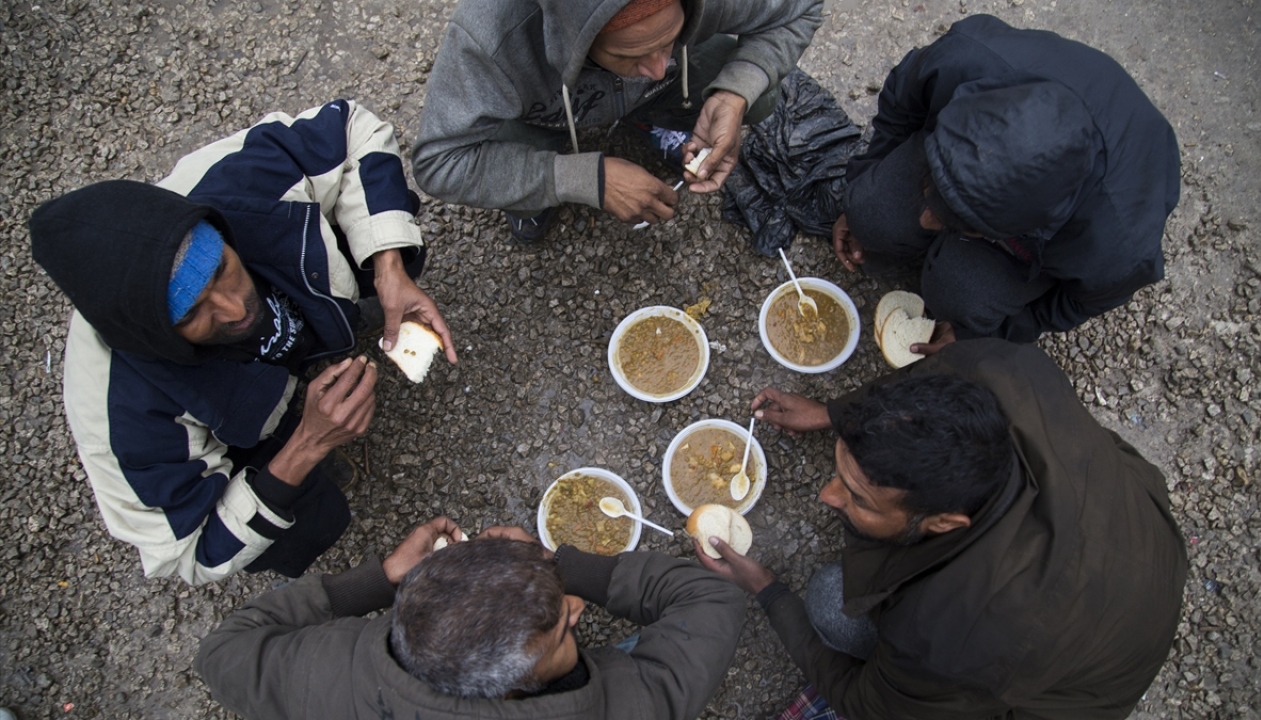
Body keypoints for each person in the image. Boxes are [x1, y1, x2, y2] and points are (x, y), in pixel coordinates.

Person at [29, 100, 457, 585]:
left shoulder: (239, 178)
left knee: (386, 222)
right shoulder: (124, 415)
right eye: (192, 313)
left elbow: (352, 128)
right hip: (247, 437)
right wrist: (304, 446)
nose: (234, 309)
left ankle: (334, 321)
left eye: (224, 270)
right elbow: (189, 553)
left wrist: (388, 265)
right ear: (152, 336)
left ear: (217, 229)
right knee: (304, 515)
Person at [696, 340, 1188, 719]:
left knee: (830, 601)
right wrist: (832, 415)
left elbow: (866, 705)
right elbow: (914, 390)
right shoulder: (995, 368)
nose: (827, 496)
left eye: (858, 496)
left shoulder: (955, 634)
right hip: (1125, 526)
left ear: (946, 523)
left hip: (1072, 686)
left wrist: (766, 590)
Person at [833, 15, 1180, 349]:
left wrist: (994, 333)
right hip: (985, 122)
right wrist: (865, 175)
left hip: (1082, 209)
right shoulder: (965, 60)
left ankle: (961, 265)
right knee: (870, 211)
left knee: (959, 298)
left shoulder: (1118, 247)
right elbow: (900, 107)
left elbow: (1076, 303)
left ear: (1018, 228)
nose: (926, 219)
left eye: (960, 223)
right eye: (934, 190)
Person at [195, 518, 747, 720]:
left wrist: (382, 577)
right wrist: (566, 568)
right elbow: (712, 601)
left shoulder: (323, 672)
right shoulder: (626, 706)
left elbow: (221, 653)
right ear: (510, 689)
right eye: (562, 626)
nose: (576, 611)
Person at [412, 0, 822, 242]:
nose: (659, 69)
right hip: (543, 113)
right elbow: (438, 162)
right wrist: (581, 179)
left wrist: (735, 91)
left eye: (669, 41)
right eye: (630, 55)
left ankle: (642, 117)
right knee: (500, 158)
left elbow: (802, 8)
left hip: (632, 92)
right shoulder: (492, 39)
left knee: (761, 94)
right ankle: (536, 185)